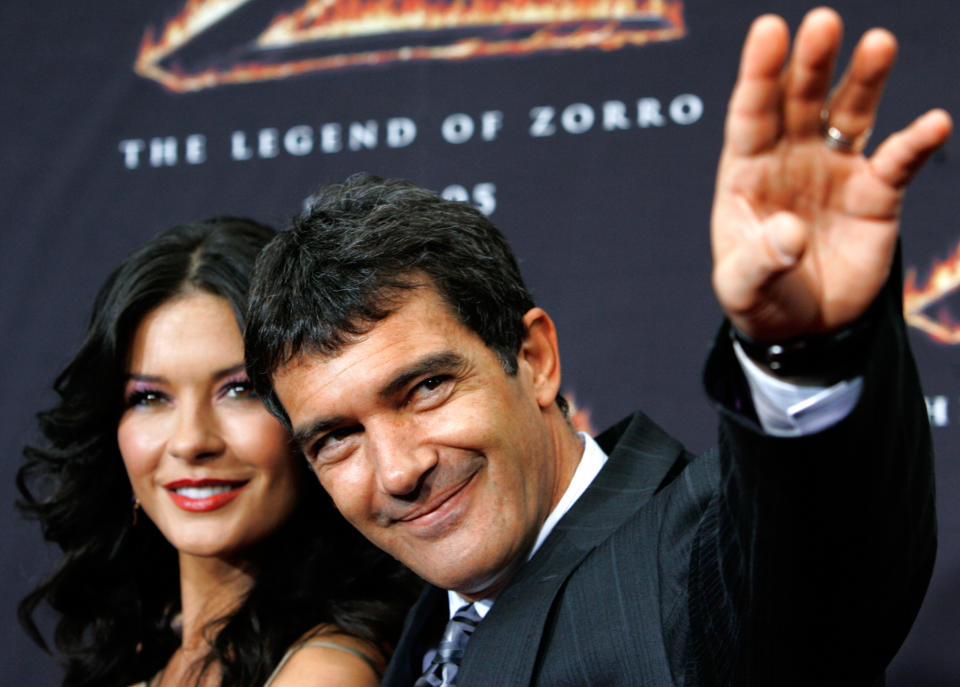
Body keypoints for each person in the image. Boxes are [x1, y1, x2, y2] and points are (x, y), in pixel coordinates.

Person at [243, 8, 951, 686]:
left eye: (425, 387)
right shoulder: (412, 632)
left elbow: (817, 569)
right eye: (336, 436)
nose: (398, 470)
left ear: (536, 358)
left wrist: (805, 348)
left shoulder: (689, 552)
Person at [17, 218, 419, 687]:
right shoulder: (145, 645)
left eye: (239, 390)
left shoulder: (328, 668)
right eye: (149, 398)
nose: (191, 441)